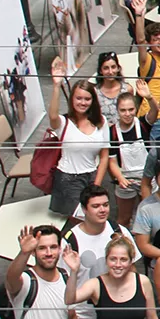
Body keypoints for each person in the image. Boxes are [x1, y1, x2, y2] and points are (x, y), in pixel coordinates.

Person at [47, 57, 109, 218]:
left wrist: (96, 185)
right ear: (72, 100)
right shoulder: (63, 122)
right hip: (68, 178)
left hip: (91, 176)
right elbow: (52, 115)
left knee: (95, 217)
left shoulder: (101, 122)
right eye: (78, 98)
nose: (83, 102)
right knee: (81, 218)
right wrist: (56, 85)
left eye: (87, 99)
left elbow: (104, 156)